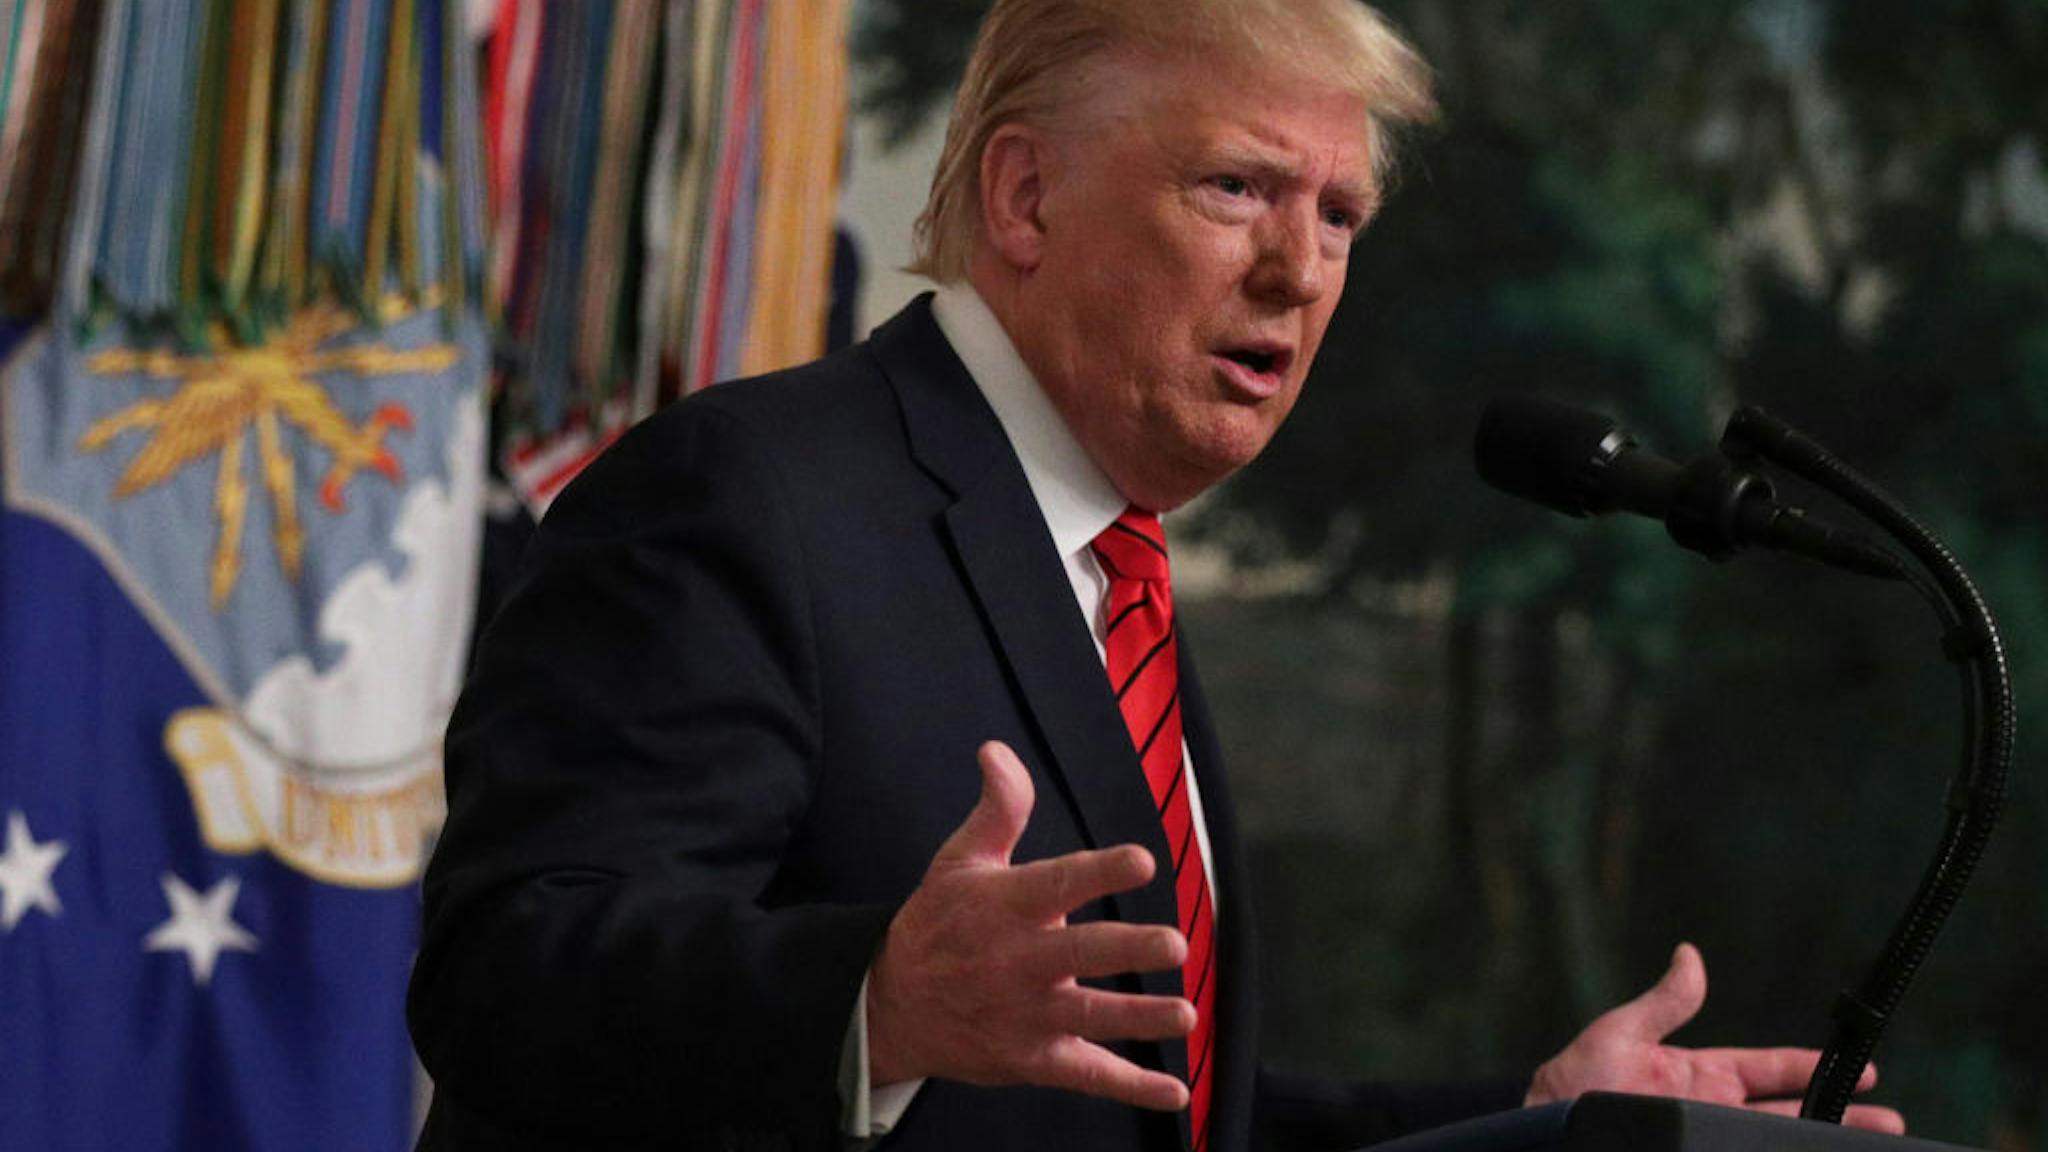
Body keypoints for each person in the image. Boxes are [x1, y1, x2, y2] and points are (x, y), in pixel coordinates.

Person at [407, 1, 1906, 1149]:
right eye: (1239, 187)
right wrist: (873, 1002)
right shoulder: (748, 496)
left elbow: (1149, 1125)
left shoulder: (1102, 563)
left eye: (1339, 216)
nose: (1300, 271)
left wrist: (1542, 1126)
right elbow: (505, 983)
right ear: (1026, 198)